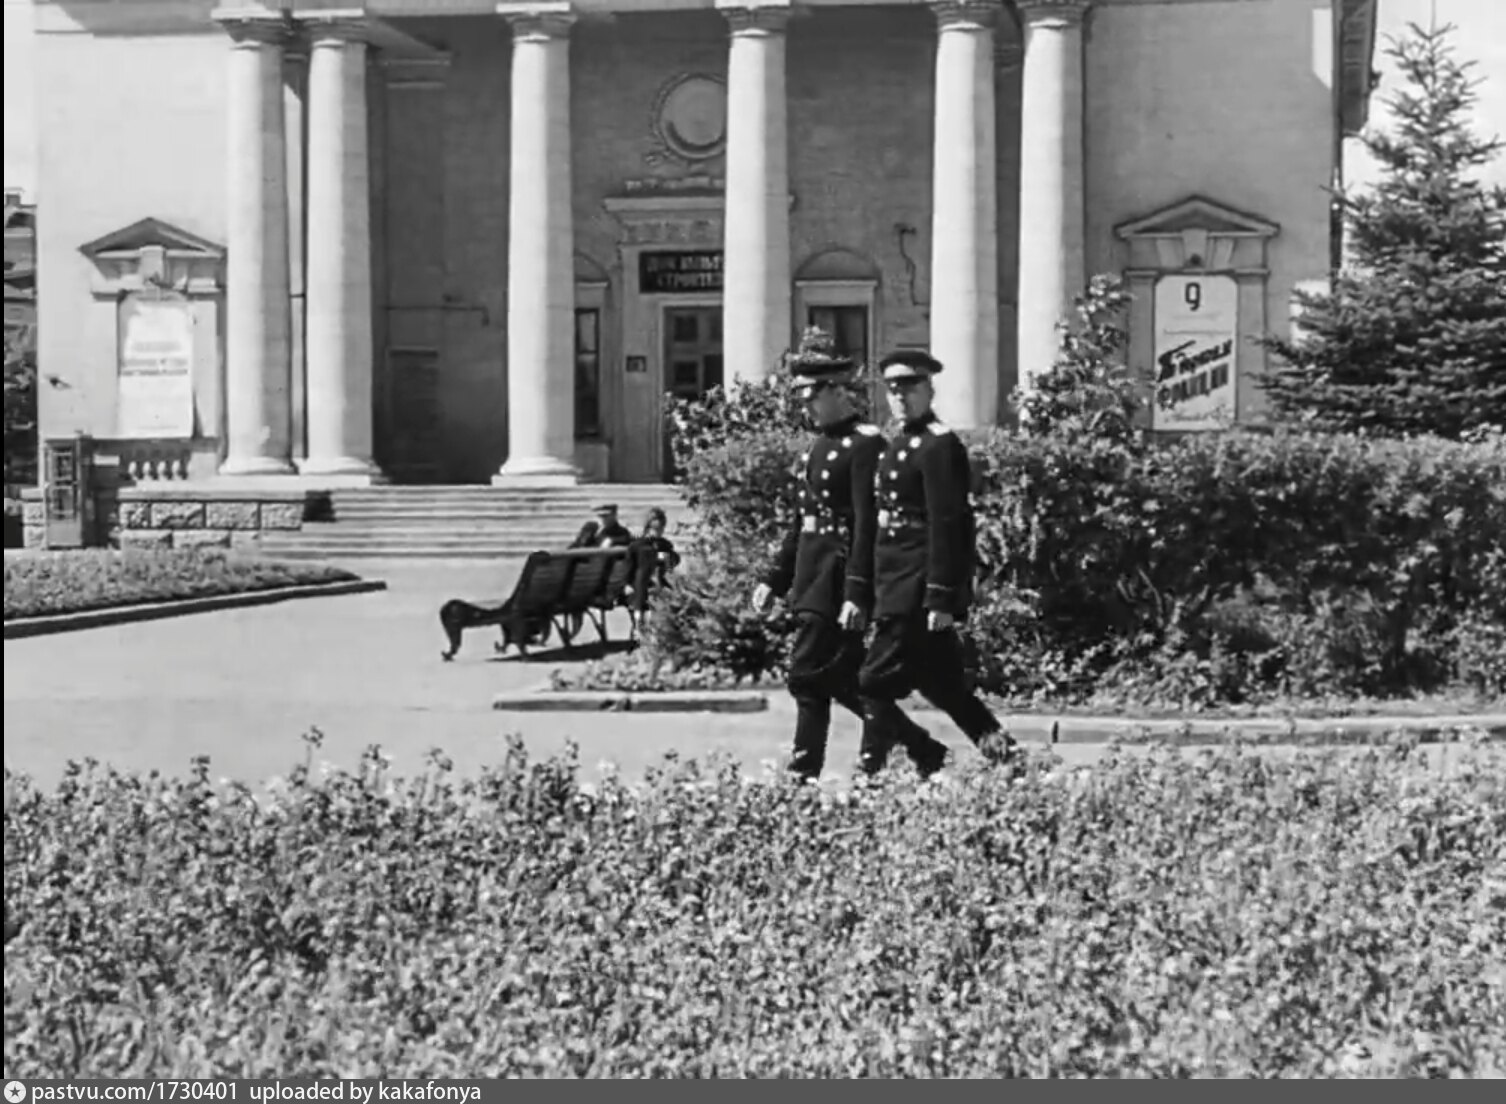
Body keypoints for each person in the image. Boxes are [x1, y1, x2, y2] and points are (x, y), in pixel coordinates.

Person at [751, 328, 946, 781]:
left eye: (812, 396)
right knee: (836, 679)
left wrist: (857, 591)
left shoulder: (866, 444)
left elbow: (865, 524)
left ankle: (804, 773)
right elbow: (803, 522)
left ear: (838, 391)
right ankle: (919, 747)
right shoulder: (819, 446)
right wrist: (774, 578)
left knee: (806, 675)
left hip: (840, 577)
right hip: (812, 575)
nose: (805, 406)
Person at [857, 348, 1022, 777]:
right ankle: (1009, 759)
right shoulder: (898, 443)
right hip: (893, 577)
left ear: (929, 390)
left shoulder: (939, 445)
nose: (901, 397)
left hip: (916, 584)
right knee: (944, 686)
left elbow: (949, 524)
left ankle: (881, 768)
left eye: (910, 387)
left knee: (870, 682)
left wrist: (941, 595)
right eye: (893, 389)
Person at [628, 506, 681, 633]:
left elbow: (671, 565)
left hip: (659, 584)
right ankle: (640, 627)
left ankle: (654, 628)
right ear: (648, 527)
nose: (658, 532)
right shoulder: (638, 545)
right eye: (655, 529)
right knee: (641, 595)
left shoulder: (665, 545)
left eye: (661, 528)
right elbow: (630, 566)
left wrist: (665, 560)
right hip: (640, 585)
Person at [569, 503, 634, 550]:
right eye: (600, 516)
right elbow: (578, 544)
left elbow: (625, 540)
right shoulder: (591, 528)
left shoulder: (621, 532)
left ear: (614, 515)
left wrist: (611, 541)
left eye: (605, 516)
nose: (603, 519)